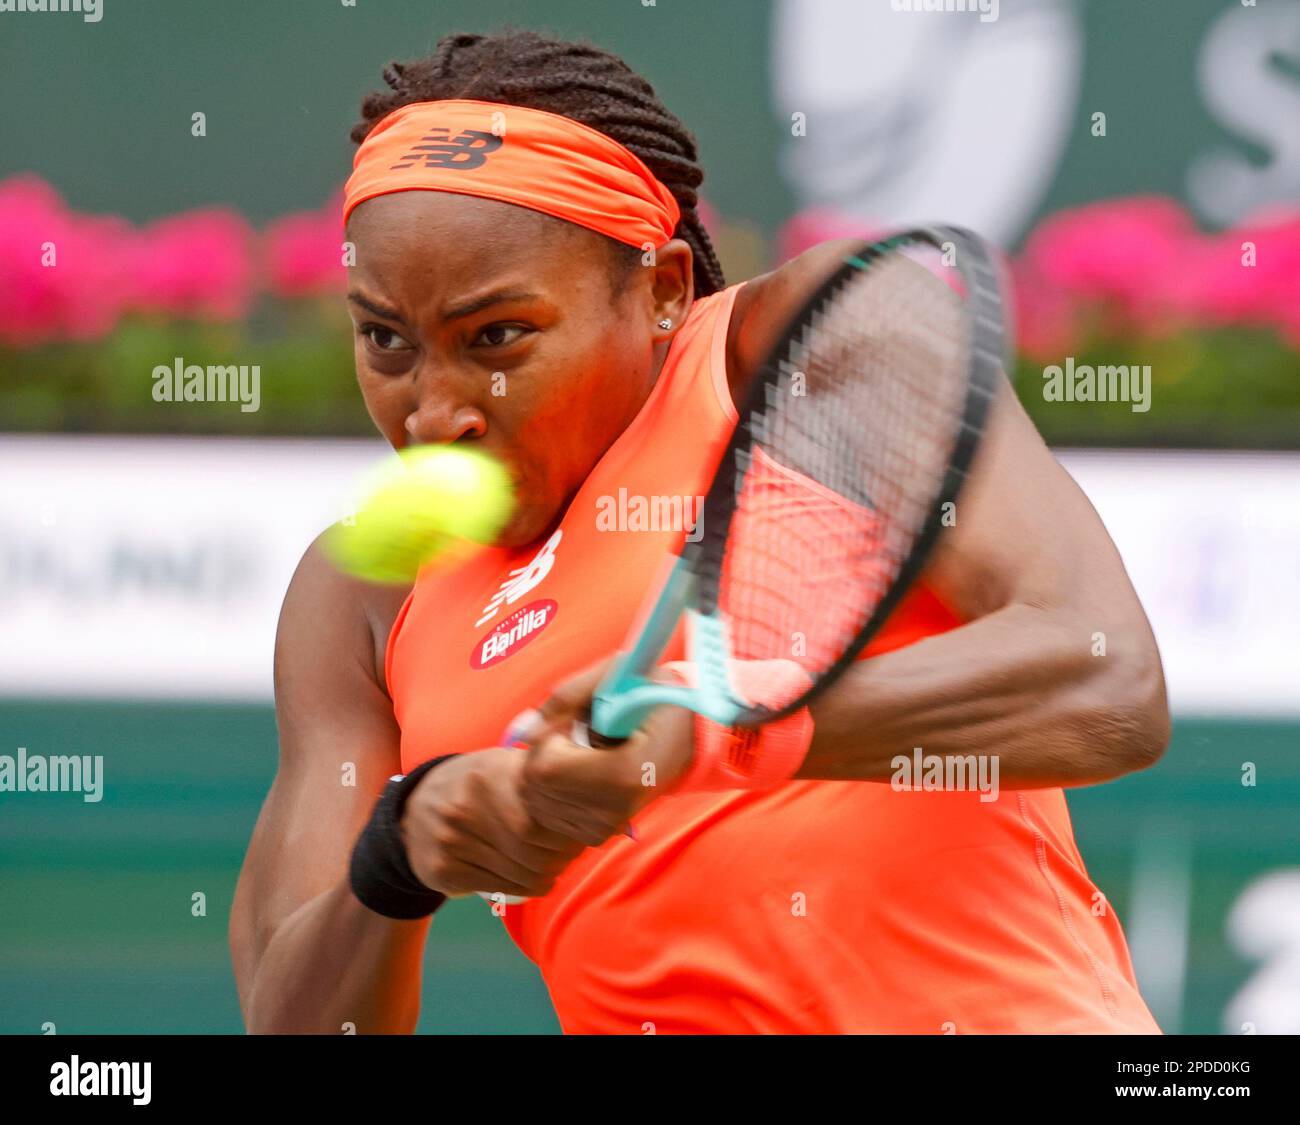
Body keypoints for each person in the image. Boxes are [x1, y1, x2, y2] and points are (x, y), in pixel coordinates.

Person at [230, 27, 1170, 1034]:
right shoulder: (360, 596)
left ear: (665, 289)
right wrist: (401, 854)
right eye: (384, 339)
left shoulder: (813, 341)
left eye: (497, 337)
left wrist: (722, 726)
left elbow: (1107, 679)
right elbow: (292, 1019)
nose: (433, 413)